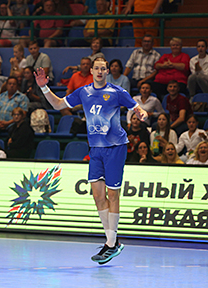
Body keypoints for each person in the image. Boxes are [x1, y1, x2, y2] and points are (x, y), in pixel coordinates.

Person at [34, 57, 148, 264]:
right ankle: (112, 242)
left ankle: (111, 243)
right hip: (95, 149)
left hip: (115, 147)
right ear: (92, 71)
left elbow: (136, 106)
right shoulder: (83, 92)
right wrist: (44, 88)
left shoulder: (116, 92)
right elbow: (59, 103)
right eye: (96, 68)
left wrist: (141, 112)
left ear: (107, 72)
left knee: (113, 195)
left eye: (103, 69)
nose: (99, 71)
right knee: (97, 196)